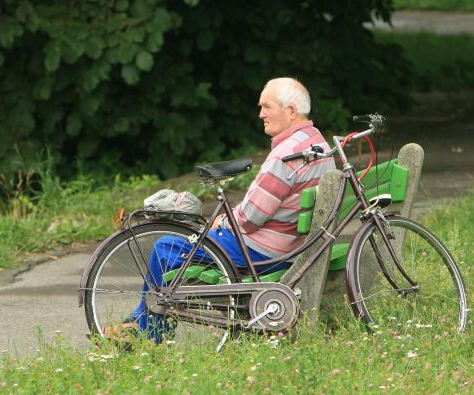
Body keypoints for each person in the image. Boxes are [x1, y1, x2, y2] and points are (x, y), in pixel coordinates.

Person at [105, 77, 336, 342]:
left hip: (262, 250)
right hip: (290, 245)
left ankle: (147, 330)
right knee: (179, 245)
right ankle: (140, 323)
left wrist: (220, 223)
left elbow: (250, 219)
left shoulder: (287, 155)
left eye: (267, 107)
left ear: (291, 111)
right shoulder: (318, 145)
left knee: (165, 247)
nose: (261, 114)